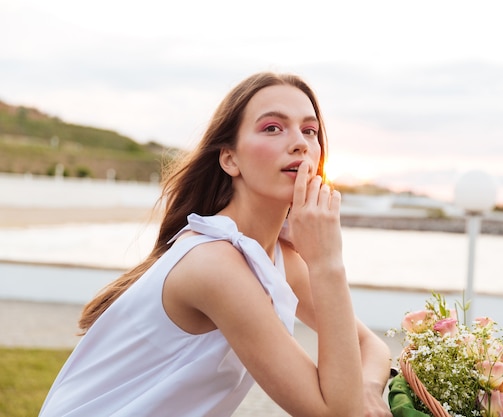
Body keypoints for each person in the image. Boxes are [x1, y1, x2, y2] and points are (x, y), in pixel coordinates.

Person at [39, 72, 393, 417]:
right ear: (230, 158)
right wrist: (326, 261)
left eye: (310, 130)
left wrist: (365, 388)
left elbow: (371, 346)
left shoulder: (277, 258)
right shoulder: (213, 264)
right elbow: (334, 413)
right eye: (272, 127)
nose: (300, 142)